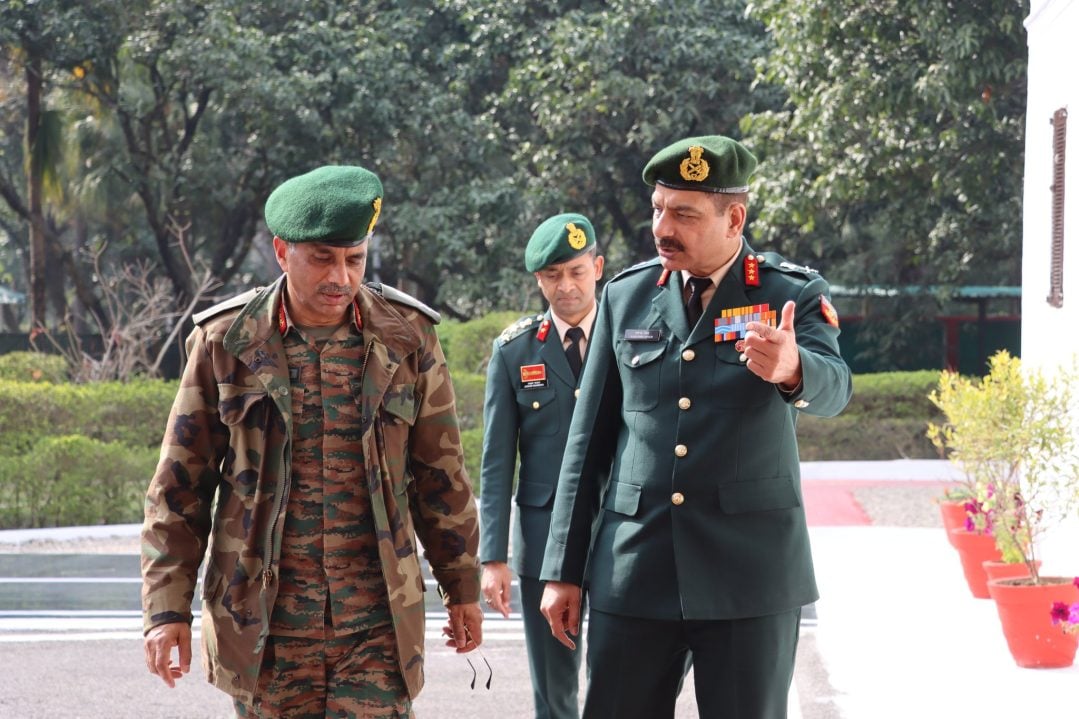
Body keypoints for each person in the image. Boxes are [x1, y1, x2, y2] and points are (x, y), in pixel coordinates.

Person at [141, 164, 483, 718]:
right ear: (282, 251)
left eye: (355, 259)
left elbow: (440, 476)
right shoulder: (227, 341)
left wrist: (461, 585)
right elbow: (180, 488)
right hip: (265, 629)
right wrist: (165, 611)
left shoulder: (407, 338)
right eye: (322, 258)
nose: (341, 278)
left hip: (376, 624)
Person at [539, 136, 852, 719]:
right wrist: (562, 570)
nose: (663, 227)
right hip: (634, 569)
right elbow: (587, 446)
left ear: (734, 218)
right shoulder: (627, 295)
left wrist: (793, 369)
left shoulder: (789, 293)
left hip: (747, 579)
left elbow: (836, 386)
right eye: (658, 208)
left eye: (684, 214)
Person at [479, 213, 604, 719]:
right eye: (553, 275)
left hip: (617, 528)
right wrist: (493, 557)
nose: (566, 285)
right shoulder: (514, 351)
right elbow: (495, 461)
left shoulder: (627, 340)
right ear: (538, 280)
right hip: (541, 537)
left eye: (576, 271)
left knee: (619, 676)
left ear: (597, 267)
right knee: (554, 689)